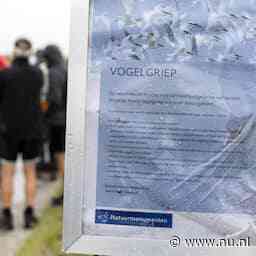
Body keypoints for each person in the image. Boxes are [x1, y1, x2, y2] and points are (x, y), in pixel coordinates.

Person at [0, 38, 43, 230]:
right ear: (30, 52)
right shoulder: (38, 74)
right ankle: (29, 214)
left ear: (14, 51)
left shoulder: (5, 74)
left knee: (7, 173)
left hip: (8, 131)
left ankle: (7, 216)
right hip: (32, 131)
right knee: (30, 172)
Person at [43, 45, 67, 206]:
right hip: (67, 118)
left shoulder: (53, 72)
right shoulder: (65, 68)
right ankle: (66, 191)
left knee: (60, 156)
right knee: (64, 155)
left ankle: (66, 193)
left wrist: (45, 115)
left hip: (58, 121)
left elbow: (54, 99)